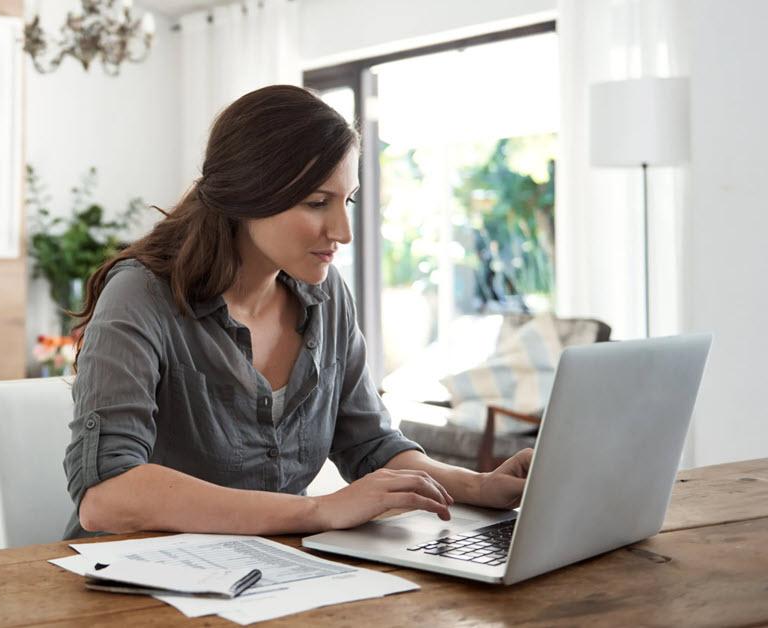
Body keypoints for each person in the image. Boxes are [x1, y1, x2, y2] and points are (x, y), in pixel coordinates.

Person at [61, 85, 532, 540]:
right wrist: (318, 509)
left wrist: (479, 485)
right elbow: (107, 496)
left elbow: (369, 444)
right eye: (316, 202)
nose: (343, 231)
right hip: (131, 579)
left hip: (269, 574)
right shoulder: (140, 296)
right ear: (249, 196)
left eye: (347, 200)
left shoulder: (327, 298)